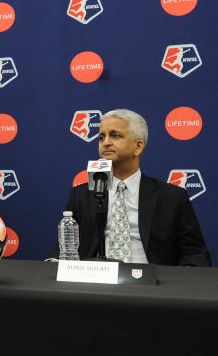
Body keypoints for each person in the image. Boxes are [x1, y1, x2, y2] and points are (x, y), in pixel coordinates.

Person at [57, 109, 210, 265]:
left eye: (115, 135)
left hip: (151, 281)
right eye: (101, 137)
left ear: (138, 147)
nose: (106, 142)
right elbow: (65, 246)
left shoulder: (172, 196)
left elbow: (194, 251)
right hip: (94, 279)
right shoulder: (82, 194)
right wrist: (53, 261)